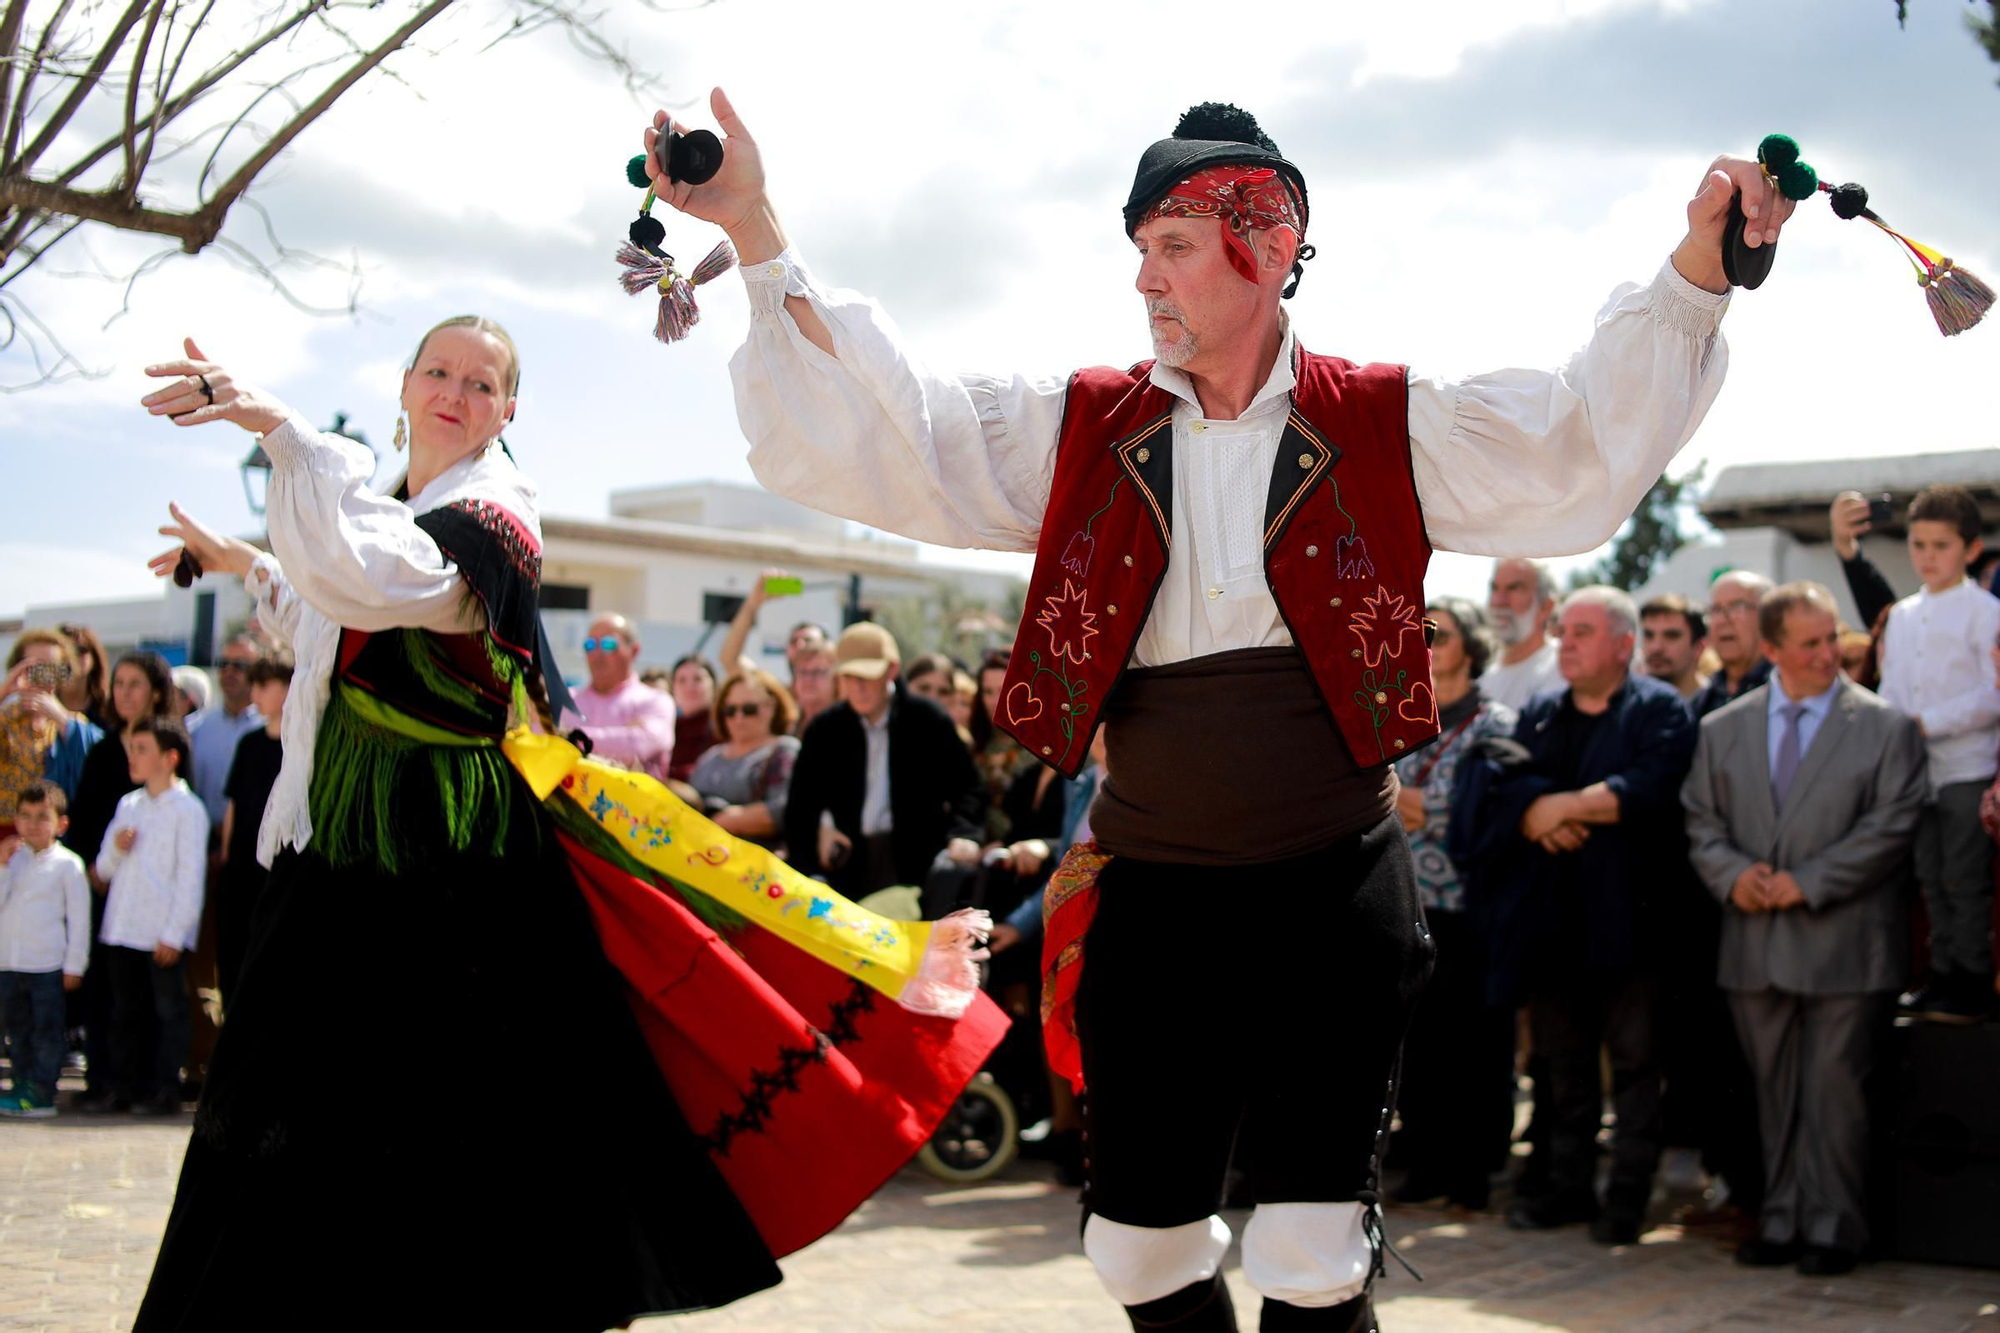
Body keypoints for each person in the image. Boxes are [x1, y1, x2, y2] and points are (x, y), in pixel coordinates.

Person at [651, 83, 1768, 1328]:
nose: (1146, 281)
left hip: (1330, 882)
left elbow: (1572, 450)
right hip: (1153, 887)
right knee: (1135, 1247)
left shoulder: (1382, 419)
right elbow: (893, 426)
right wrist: (754, 226)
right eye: (1140, 253)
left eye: (1172, 247)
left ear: (1270, 246)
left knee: (1307, 1246)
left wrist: (1692, 274)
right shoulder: (1084, 426)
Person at [129, 324, 1001, 1330]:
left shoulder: (495, 513)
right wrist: (243, 560)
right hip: (350, 849)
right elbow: (337, 625)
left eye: (483, 381)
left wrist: (280, 427)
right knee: (291, 1101)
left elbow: (381, 579)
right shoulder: (397, 508)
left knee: (454, 1124)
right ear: (406, 386)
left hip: (445, 863)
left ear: (508, 409)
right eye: (441, 373)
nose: (457, 391)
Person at [1681, 581, 1926, 1277]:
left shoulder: (1885, 725)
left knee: (1836, 1092)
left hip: (1845, 942)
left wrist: (1807, 881)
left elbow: (1893, 822)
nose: (1829, 653)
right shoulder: (1721, 729)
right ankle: (1781, 1218)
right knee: (1774, 1091)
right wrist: (1734, 875)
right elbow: (1700, 818)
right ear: (1773, 649)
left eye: (1831, 638)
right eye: (1811, 642)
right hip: (1754, 943)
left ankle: (1834, 1226)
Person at [1467, 588, 1697, 1245]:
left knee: (1632, 1066)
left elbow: (1650, 787)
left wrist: (1554, 807)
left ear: (1624, 645)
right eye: (1564, 630)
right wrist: (1545, 806)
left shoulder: (1658, 709)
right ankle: (1565, 1189)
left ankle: (1626, 1199)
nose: (1565, 641)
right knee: (1561, 1069)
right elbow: (1510, 785)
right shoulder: (1541, 712)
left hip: (1633, 924)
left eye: (1583, 631)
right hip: (1553, 924)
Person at [1387, 598, 1517, 1213]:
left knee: (1474, 1047)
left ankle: (1471, 1171)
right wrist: (1405, 801)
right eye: (1419, 633)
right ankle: (1425, 1162)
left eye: (1440, 633)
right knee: (1420, 1046)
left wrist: (1398, 797)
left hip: (1470, 910)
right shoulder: (1399, 712)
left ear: (1472, 645)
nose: (1428, 643)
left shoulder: (1495, 724)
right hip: (1407, 905)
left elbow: (1467, 816)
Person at [1878, 485, 2000, 1024]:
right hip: (1916, 770)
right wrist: (1893, 727)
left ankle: (1972, 980)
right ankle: (1941, 974)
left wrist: (1930, 722)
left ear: (1971, 549)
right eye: (1918, 544)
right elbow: (1892, 687)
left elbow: (1993, 693)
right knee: (1930, 877)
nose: (1927, 556)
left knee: (1964, 877)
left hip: (1967, 765)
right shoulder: (1903, 615)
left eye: (1941, 545)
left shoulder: (1986, 611)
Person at [784, 623, 985, 897]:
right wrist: (810, 868)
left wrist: (964, 834)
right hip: (844, 866)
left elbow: (968, 786)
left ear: (891, 670)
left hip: (915, 864)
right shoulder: (824, 729)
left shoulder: (928, 720)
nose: (858, 686)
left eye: (867, 676)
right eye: (850, 676)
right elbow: (800, 808)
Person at [65, 649, 175, 1107]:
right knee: (105, 991)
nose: (125, 693)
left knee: (151, 997)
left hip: (153, 898)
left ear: (155, 691)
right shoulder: (106, 749)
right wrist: (95, 867)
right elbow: (85, 815)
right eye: (120, 683)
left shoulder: (172, 748)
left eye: (136, 684)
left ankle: (149, 1084)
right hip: (103, 885)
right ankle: (105, 1081)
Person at [92, 717, 207, 1116]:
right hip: (123, 929)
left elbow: (192, 878)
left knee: (167, 1013)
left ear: (169, 757)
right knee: (125, 1013)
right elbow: (103, 869)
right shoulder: (129, 804)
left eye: (142, 749)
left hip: (160, 933)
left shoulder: (189, 810)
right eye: (132, 749)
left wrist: (175, 934)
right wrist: (117, 848)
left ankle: (163, 1089)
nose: (133, 757)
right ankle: (123, 1086)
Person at [0, 783, 91, 1118]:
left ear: (61, 824)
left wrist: (75, 965)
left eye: (42, 817)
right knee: (18, 1031)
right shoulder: (11, 860)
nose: (33, 824)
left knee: (46, 1032)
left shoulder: (69, 865)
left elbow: (79, 920)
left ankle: (41, 1092)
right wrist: (3, 867)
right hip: (10, 963)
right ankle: (22, 1085)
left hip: (47, 966)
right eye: (25, 816)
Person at [214, 655, 291, 1006]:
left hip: (277, 872)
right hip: (239, 869)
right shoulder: (248, 744)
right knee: (231, 957)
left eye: (264, 685)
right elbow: (233, 803)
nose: (254, 692)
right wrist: (227, 856)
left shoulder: (301, 746)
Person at [686, 668, 799, 850]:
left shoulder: (783, 751)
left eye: (749, 709)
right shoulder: (710, 757)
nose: (738, 717)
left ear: (771, 707)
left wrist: (723, 821)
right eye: (730, 710)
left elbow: (780, 811)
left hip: (756, 866)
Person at [2, 631, 100, 823]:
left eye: (52, 668)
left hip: (53, 835)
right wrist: (5, 691)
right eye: (35, 666)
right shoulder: (6, 717)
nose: (42, 675)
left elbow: (100, 760)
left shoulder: (71, 723)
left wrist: (59, 717)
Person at [568, 613, 677, 782]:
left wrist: (568, 737)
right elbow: (541, 737)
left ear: (634, 650)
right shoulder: (567, 700)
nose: (597, 653)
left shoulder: (656, 700)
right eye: (590, 645)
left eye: (608, 644)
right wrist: (622, 736)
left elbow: (640, 746)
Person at [185, 636, 264, 840]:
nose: (229, 672)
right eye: (223, 664)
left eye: (239, 666)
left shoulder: (271, 729)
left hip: (251, 845)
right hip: (200, 841)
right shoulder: (195, 728)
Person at [1483, 559, 1564, 710]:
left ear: (1546, 607)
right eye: (1494, 588)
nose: (1498, 601)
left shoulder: (1564, 666)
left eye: (1514, 588)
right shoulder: (1484, 678)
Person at [1693, 571, 1775, 719]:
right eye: (1716, 609)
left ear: (1768, 618)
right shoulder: (1702, 702)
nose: (1723, 620)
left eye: (1737, 607)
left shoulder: (1785, 690)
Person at [1641, 593, 1709, 700]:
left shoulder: (1717, 707)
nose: (1656, 647)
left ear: (1698, 647)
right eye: (1649, 635)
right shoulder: (1629, 707)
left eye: (1671, 636)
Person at [664, 654, 719, 783]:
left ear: (714, 685)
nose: (690, 687)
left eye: (698, 679)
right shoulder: (664, 727)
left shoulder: (725, 726)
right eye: (682, 680)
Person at [55, 623, 113, 732]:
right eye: (65, 652)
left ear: (94, 659)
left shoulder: (110, 709)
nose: (71, 658)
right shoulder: (39, 705)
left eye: (80, 650)